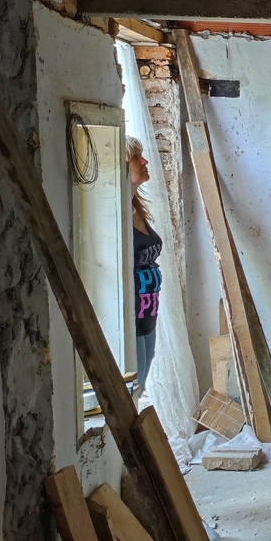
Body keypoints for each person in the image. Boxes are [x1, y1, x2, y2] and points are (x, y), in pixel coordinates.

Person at [127, 137, 162, 394]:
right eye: (136, 158)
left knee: (141, 387)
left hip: (148, 314)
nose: (144, 161)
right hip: (131, 318)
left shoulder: (136, 208)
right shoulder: (115, 213)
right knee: (134, 390)